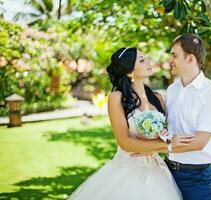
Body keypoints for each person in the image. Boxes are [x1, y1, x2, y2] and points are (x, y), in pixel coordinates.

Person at [67, 47, 194, 200]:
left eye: (146, 57)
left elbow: (165, 134)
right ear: (129, 71)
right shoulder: (116, 98)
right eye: (141, 60)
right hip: (127, 170)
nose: (148, 62)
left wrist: (162, 143)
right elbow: (125, 143)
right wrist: (167, 145)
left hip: (157, 172)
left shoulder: (158, 98)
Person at [164, 33, 211, 200]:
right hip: (165, 171)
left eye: (174, 55)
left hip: (195, 177)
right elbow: (165, 130)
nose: (170, 61)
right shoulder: (171, 90)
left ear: (190, 59)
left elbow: (199, 142)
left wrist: (156, 147)